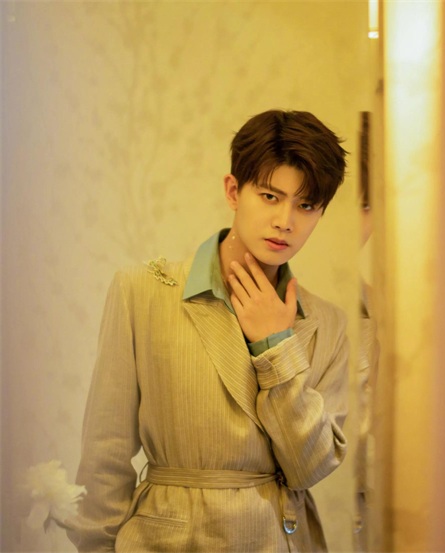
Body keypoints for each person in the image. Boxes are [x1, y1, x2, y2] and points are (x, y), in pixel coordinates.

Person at [67, 109, 349, 553]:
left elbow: (309, 468)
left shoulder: (328, 323)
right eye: (270, 196)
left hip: (278, 538)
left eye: (306, 205)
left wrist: (276, 346)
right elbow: (106, 456)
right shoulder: (142, 292)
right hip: (169, 540)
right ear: (233, 191)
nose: (286, 221)